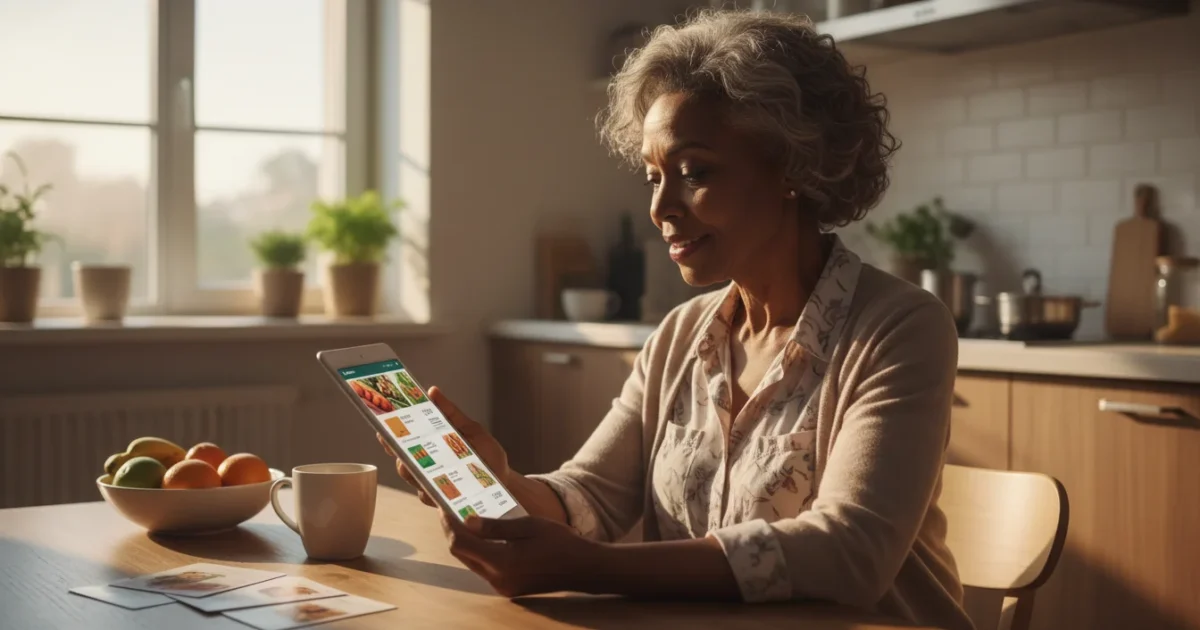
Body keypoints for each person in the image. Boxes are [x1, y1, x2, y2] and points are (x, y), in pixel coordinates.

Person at [378, 9, 972, 630]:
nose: (660, 207)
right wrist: (495, 480)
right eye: (653, 176)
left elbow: (849, 553)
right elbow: (588, 498)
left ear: (793, 165)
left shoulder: (900, 327)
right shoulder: (681, 337)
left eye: (694, 173)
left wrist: (590, 569)